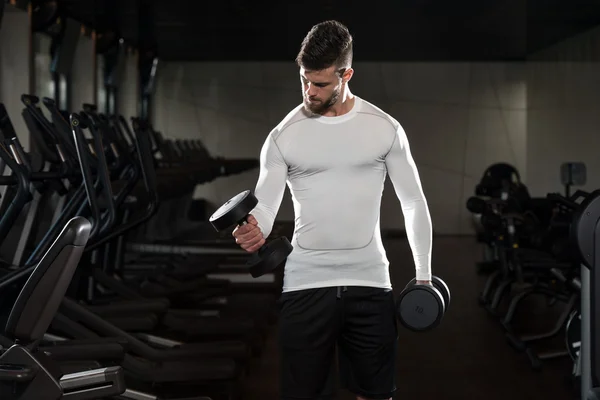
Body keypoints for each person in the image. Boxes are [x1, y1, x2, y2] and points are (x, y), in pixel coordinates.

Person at [232, 20, 433, 400]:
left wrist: (423, 275)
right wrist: (251, 230)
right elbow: (265, 206)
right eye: (304, 80)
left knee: (376, 394)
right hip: (306, 282)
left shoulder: (384, 128)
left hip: (371, 281)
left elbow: (413, 201)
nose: (309, 91)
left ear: (347, 74)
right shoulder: (282, 136)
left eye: (320, 83)